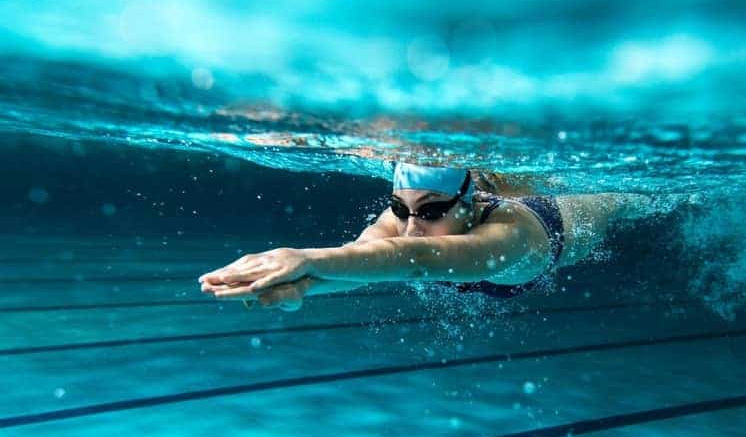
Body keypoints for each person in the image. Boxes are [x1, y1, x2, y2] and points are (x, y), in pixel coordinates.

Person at [198, 161, 634, 310]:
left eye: (430, 211)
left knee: (627, 197)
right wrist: (301, 288)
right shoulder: (408, 225)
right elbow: (363, 260)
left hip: (576, 216)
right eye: (399, 209)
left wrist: (303, 258)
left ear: (472, 204)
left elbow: (417, 260)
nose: (410, 227)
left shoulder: (510, 234)